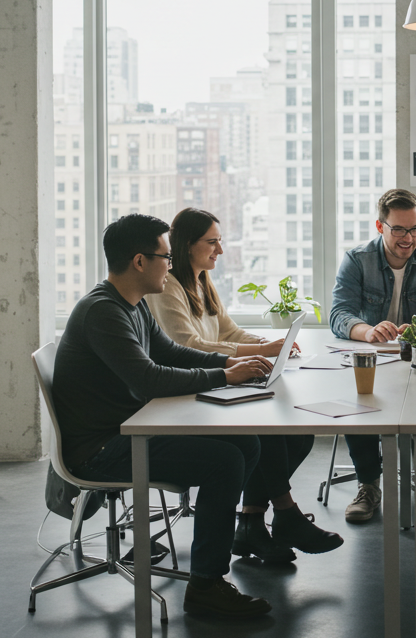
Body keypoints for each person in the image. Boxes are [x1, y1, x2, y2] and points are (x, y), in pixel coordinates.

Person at [52, 213, 274, 620]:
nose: (171, 266)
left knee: (246, 443)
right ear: (140, 261)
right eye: (166, 258)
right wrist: (225, 374)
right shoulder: (103, 312)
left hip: (129, 428)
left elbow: (170, 353)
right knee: (225, 461)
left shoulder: (132, 305)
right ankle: (206, 585)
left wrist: (229, 362)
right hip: (103, 448)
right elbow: (148, 378)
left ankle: (212, 563)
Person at [144, 207, 342, 565]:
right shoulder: (168, 285)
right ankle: (284, 513)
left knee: (298, 435)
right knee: (265, 430)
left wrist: (271, 343)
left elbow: (229, 333)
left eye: (220, 242)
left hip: (209, 384)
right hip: (187, 391)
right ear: (188, 244)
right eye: (212, 242)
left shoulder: (202, 280)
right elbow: (187, 346)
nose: (220, 250)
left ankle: (251, 519)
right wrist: (259, 350)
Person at [330, 188, 416, 523]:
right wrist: (368, 332)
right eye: (399, 230)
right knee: (356, 401)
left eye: (415, 229)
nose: (408, 238)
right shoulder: (357, 259)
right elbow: (340, 314)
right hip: (373, 359)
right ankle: (369, 484)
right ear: (380, 227)